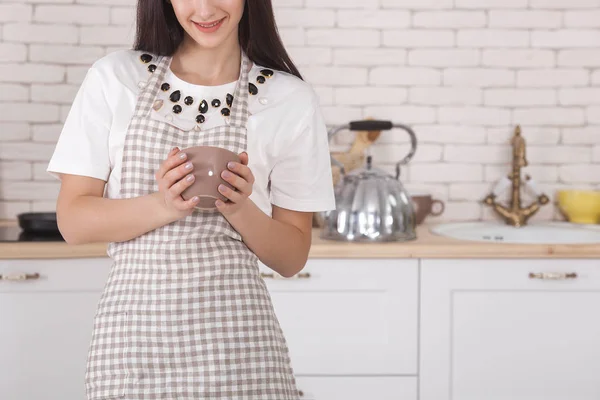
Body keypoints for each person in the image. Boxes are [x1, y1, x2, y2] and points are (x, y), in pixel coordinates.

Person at [46, 0, 336, 398]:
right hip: (132, 348)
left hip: (241, 353)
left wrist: (238, 207)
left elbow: (291, 257)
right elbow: (74, 222)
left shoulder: (289, 99)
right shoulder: (116, 78)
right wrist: (164, 205)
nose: (204, 8)